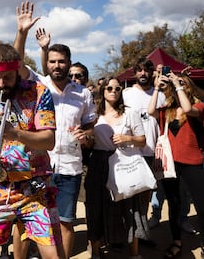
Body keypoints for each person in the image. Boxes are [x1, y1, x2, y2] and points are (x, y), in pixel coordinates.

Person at [0, 43, 62, 259]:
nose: (1, 84)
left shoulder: (37, 92)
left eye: (7, 77)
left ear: (17, 71)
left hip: (35, 187)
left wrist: (14, 133)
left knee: (53, 254)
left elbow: (49, 140)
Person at [15, 1, 96, 258]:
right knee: (27, 223)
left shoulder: (83, 94)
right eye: (52, 61)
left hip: (70, 166)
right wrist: (23, 32)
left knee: (65, 221)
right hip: (37, 166)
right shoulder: (39, 85)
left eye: (62, 62)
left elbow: (90, 123)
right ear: (47, 63)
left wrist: (88, 134)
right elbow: (16, 65)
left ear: (69, 63)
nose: (57, 66)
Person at [85, 76, 148, 259]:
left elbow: (142, 141)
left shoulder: (130, 113)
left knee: (129, 209)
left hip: (124, 163)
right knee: (96, 209)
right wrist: (86, 140)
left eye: (117, 89)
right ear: (102, 90)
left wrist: (128, 138)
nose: (113, 92)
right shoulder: (94, 115)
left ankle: (134, 254)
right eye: (109, 88)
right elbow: (88, 145)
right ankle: (96, 253)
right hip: (99, 164)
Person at [148, 72, 204, 258]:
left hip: (192, 163)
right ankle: (177, 242)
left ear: (188, 86)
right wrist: (156, 87)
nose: (177, 85)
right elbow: (150, 112)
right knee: (174, 204)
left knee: (201, 204)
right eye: (176, 83)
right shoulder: (168, 109)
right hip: (171, 164)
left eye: (183, 83)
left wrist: (176, 83)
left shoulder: (199, 106)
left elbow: (188, 110)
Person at [121, 57, 167, 248]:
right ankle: (126, 236)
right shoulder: (126, 93)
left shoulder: (161, 95)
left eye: (146, 70)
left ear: (151, 73)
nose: (142, 74)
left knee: (145, 198)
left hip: (152, 153)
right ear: (134, 73)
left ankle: (141, 235)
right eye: (139, 70)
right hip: (130, 153)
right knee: (127, 196)